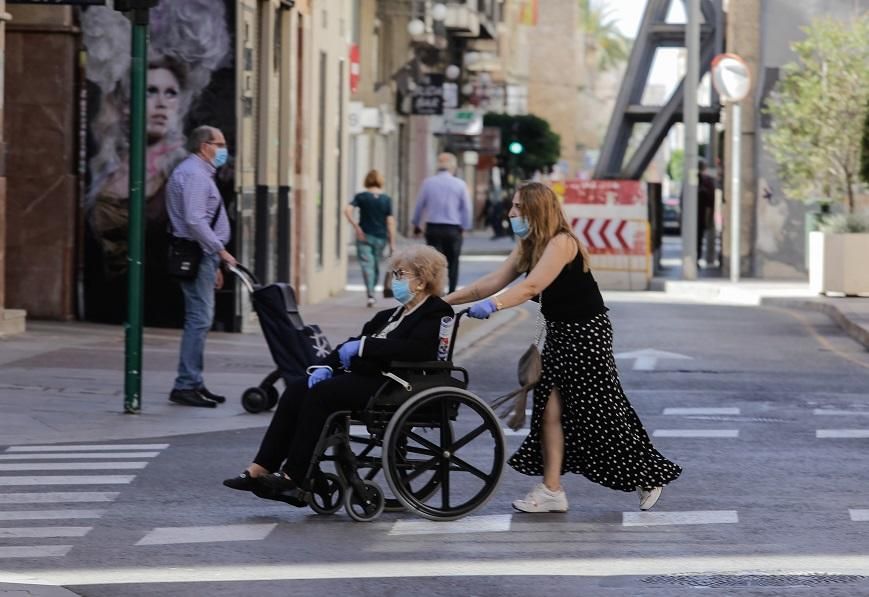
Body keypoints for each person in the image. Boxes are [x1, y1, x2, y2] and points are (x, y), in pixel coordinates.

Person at [444, 182, 681, 513]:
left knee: (601, 410)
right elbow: (491, 282)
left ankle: (647, 475)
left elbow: (532, 286)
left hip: (586, 334)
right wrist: (443, 301)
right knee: (548, 412)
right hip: (559, 333)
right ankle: (552, 489)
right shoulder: (528, 245)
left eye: (518, 208)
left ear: (536, 210)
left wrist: (494, 306)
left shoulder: (562, 243)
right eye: (512, 207)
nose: (511, 213)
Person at [222, 245, 452, 499]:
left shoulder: (436, 312)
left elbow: (416, 351)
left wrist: (365, 346)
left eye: (399, 275)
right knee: (300, 387)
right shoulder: (389, 315)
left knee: (323, 394)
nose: (394, 281)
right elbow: (349, 344)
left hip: (396, 384)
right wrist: (326, 366)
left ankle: (296, 475)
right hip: (369, 378)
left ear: (420, 282)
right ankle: (260, 468)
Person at [166, 126, 238, 408]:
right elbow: (195, 220)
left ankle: (193, 381)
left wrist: (215, 263)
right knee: (199, 319)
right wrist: (221, 251)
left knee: (200, 318)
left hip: (203, 256)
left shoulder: (198, 173)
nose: (224, 149)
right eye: (220, 144)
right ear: (204, 146)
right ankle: (186, 383)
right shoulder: (195, 175)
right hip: (197, 253)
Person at [411, 152, 473, 293]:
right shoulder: (460, 184)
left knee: (433, 263)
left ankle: (435, 291)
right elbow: (466, 208)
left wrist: (416, 224)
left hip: (433, 228)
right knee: (453, 262)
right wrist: (465, 226)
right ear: (453, 167)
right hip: (453, 229)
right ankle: (451, 292)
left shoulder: (428, 183)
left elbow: (420, 205)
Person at [343, 170, 396, 308]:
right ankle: (372, 293)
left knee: (367, 266)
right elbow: (390, 222)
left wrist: (356, 227)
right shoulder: (386, 199)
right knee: (374, 265)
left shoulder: (361, 197)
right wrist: (392, 243)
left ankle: (371, 294)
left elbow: (347, 210)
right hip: (381, 237)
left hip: (364, 235)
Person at [697, 159, 716, 266]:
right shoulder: (707, 181)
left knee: (697, 239)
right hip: (702, 215)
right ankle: (696, 258)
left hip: (698, 216)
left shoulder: (706, 181)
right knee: (699, 239)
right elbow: (711, 202)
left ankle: (695, 259)